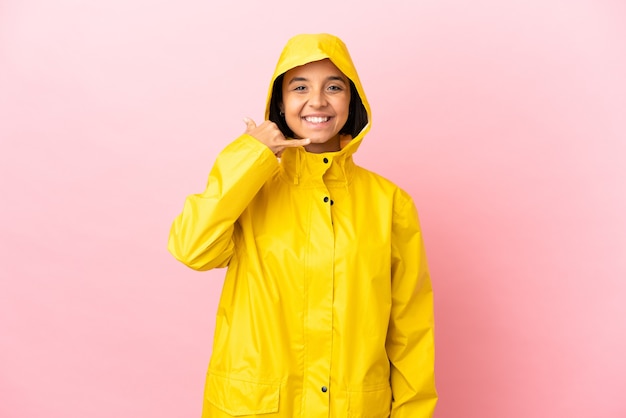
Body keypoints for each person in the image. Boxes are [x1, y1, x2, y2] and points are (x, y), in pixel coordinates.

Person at [168, 33, 437, 418]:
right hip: (254, 408)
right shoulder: (250, 189)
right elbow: (190, 249)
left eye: (333, 87)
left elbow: (410, 328)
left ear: (352, 99)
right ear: (280, 102)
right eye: (300, 87)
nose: (317, 101)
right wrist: (249, 155)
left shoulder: (389, 203)